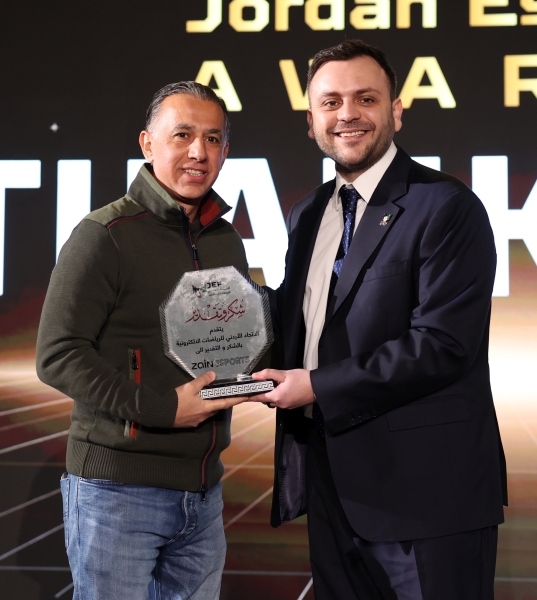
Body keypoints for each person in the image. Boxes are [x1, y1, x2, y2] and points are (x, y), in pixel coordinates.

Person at [251, 40, 508, 600]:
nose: (347, 114)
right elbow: (302, 321)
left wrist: (315, 386)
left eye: (365, 98)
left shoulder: (447, 207)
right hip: (333, 491)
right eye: (330, 102)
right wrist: (216, 320)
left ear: (396, 111)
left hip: (428, 498)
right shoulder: (308, 214)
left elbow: (441, 345)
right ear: (311, 121)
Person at [36, 81, 250, 600]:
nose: (199, 152)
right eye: (183, 135)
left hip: (203, 493)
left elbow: (230, 344)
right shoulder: (104, 234)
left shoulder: (226, 240)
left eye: (213, 139)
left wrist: (258, 377)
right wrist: (162, 408)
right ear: (147, 144)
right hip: (117, 492)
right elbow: (58, 354)